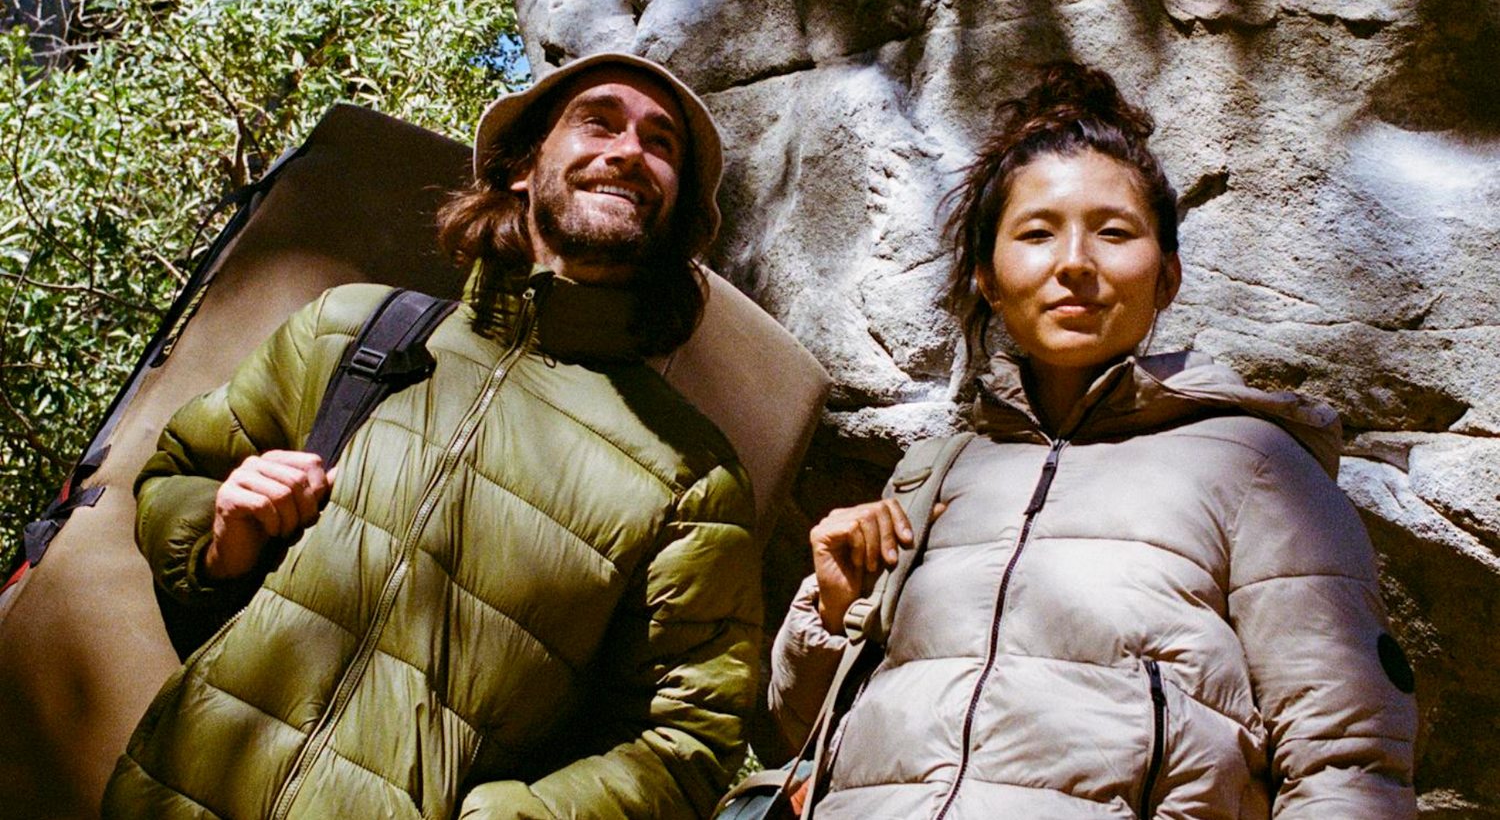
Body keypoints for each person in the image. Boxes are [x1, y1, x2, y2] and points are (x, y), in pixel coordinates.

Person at [102, 52, 762, 820]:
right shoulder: (351, 329)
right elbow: (173, 474)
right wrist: (220, 531)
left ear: (674, 210)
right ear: (523, 167)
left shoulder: (693, 475)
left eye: (661, 143)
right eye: (598, 121)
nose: (627, 150)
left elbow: (687, 740)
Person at [769, 65, 1418, 819]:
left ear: (1166, 275)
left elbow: (1347, 761)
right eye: (1037, 233)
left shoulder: (1258, 467)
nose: (1074, 262)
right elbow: (824, 739)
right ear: (988, 276)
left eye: (1114, 232)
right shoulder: (933, 473)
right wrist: (833, 611)